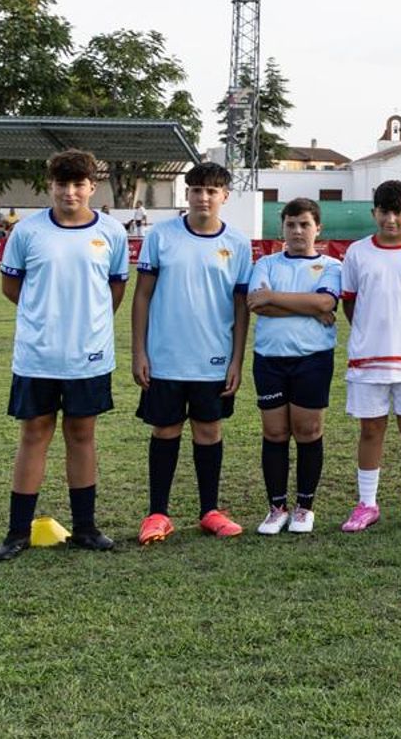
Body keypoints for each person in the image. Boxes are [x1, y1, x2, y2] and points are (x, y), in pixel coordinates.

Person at [0, 150, 129, 561]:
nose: (70, 192)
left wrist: (88, 324)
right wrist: (46, 319)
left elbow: (114, 290)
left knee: (82, 435)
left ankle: (86, 528)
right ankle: (17, 533)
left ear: (91, 186)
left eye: (78, 184)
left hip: (88, 356)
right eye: (62, 184)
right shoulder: (28, 232)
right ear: (50, 185)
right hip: (37, 355)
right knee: (34, 435)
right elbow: (11, 288)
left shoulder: (112, 232)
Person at [133, 162, 252, 544]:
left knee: (208, 430)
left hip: (213, 357)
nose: (203, 197)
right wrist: (139, 351)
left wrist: (236, 359)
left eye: (212, 191)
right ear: (188, 194)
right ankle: (157, 514)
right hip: (165, 356)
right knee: (165, 429)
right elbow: (143, 295)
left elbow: (240, 306)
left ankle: (210, 511)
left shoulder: (237, 244)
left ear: (225, 197)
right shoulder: (162, 236)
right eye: (197, 190)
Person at [339, 180, 401, 532]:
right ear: (374, 213)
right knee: (371, 430)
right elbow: (350, 302)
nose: (391, 219)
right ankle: (367, 504)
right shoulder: (357, 252)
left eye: (398, 212)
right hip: (369, 357)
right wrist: (371, 333)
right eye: (384, 212)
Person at [246, 198, 341, 535]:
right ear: (282, 227)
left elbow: (327, 301)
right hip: (270, 358)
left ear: (318, 228)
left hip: (313, 359)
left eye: (304, 224)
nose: (298, 231)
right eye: (291, 224)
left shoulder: (331, 266)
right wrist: (310, 308)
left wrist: (281, 298)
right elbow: (257, 303)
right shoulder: (267, 263)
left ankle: (304, 508)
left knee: (308, 432)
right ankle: (276, 508)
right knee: (274, 433)